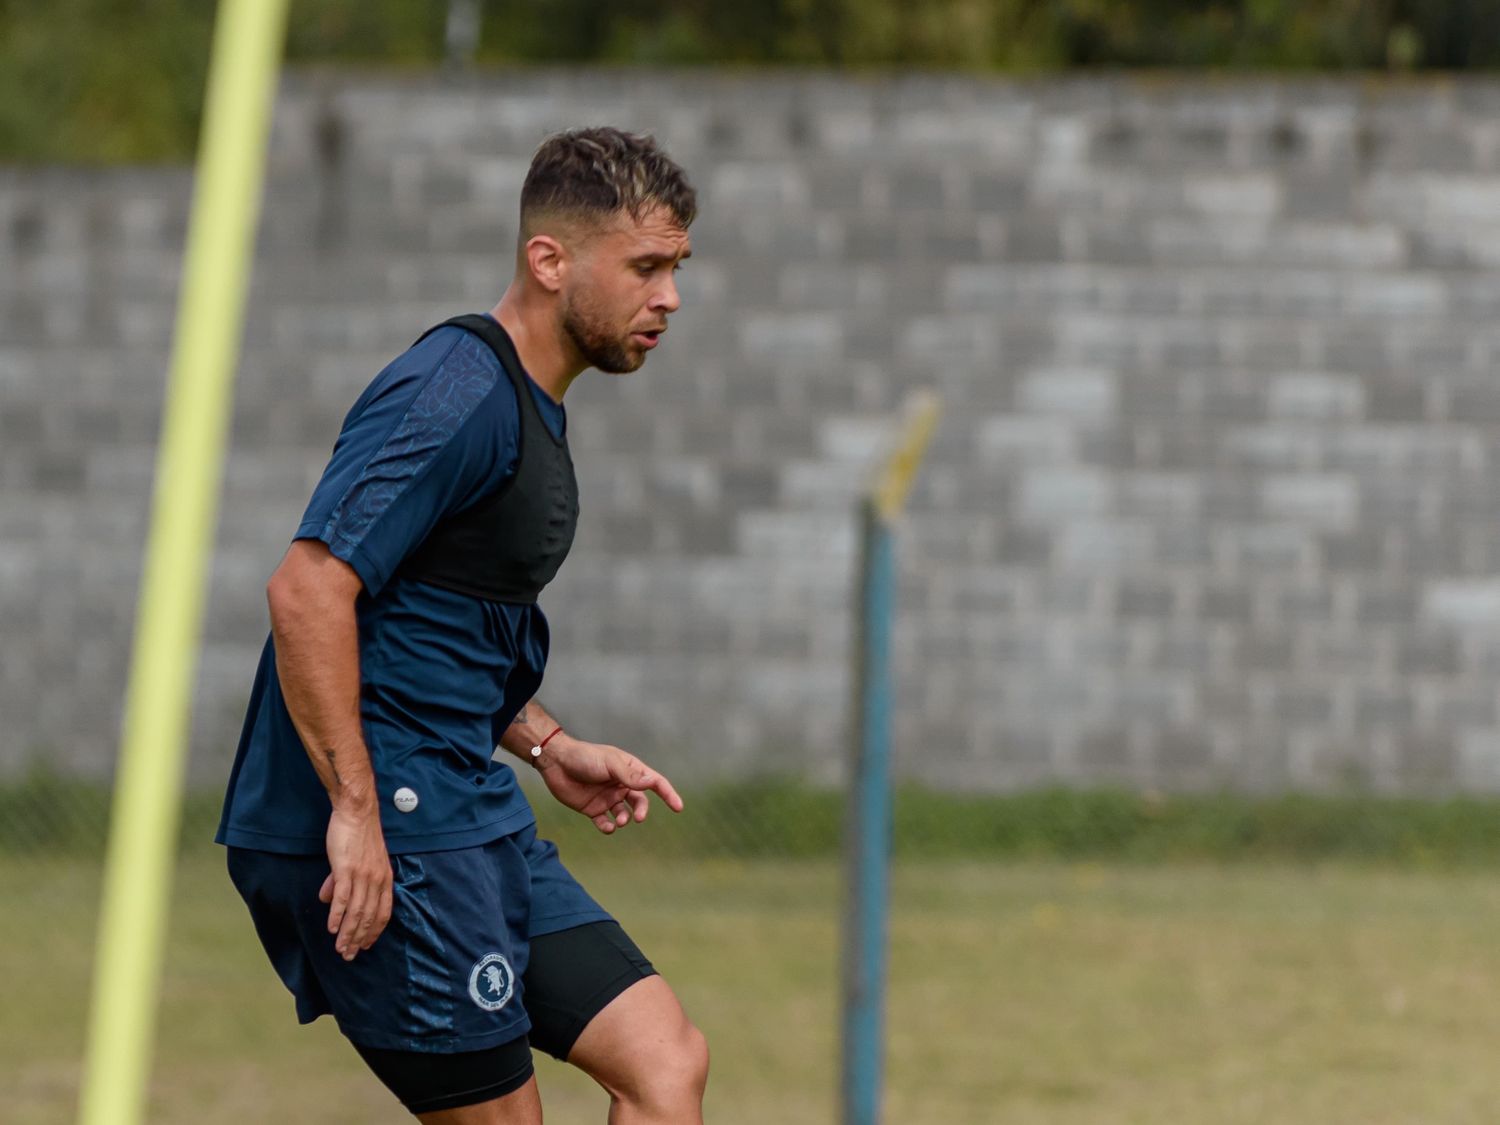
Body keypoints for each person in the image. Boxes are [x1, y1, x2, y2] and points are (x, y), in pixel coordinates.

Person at [216, 127, 706, 1124]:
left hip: (468, 805)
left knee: (665, 1063)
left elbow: (429, 628)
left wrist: (548, 742)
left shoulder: (527, 404)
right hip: (395, 824)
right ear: (549, 259)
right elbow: (307, 590)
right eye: (647, 268)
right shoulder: (455, 391)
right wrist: (352, 814)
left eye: (678, 269)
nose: (671, 299)